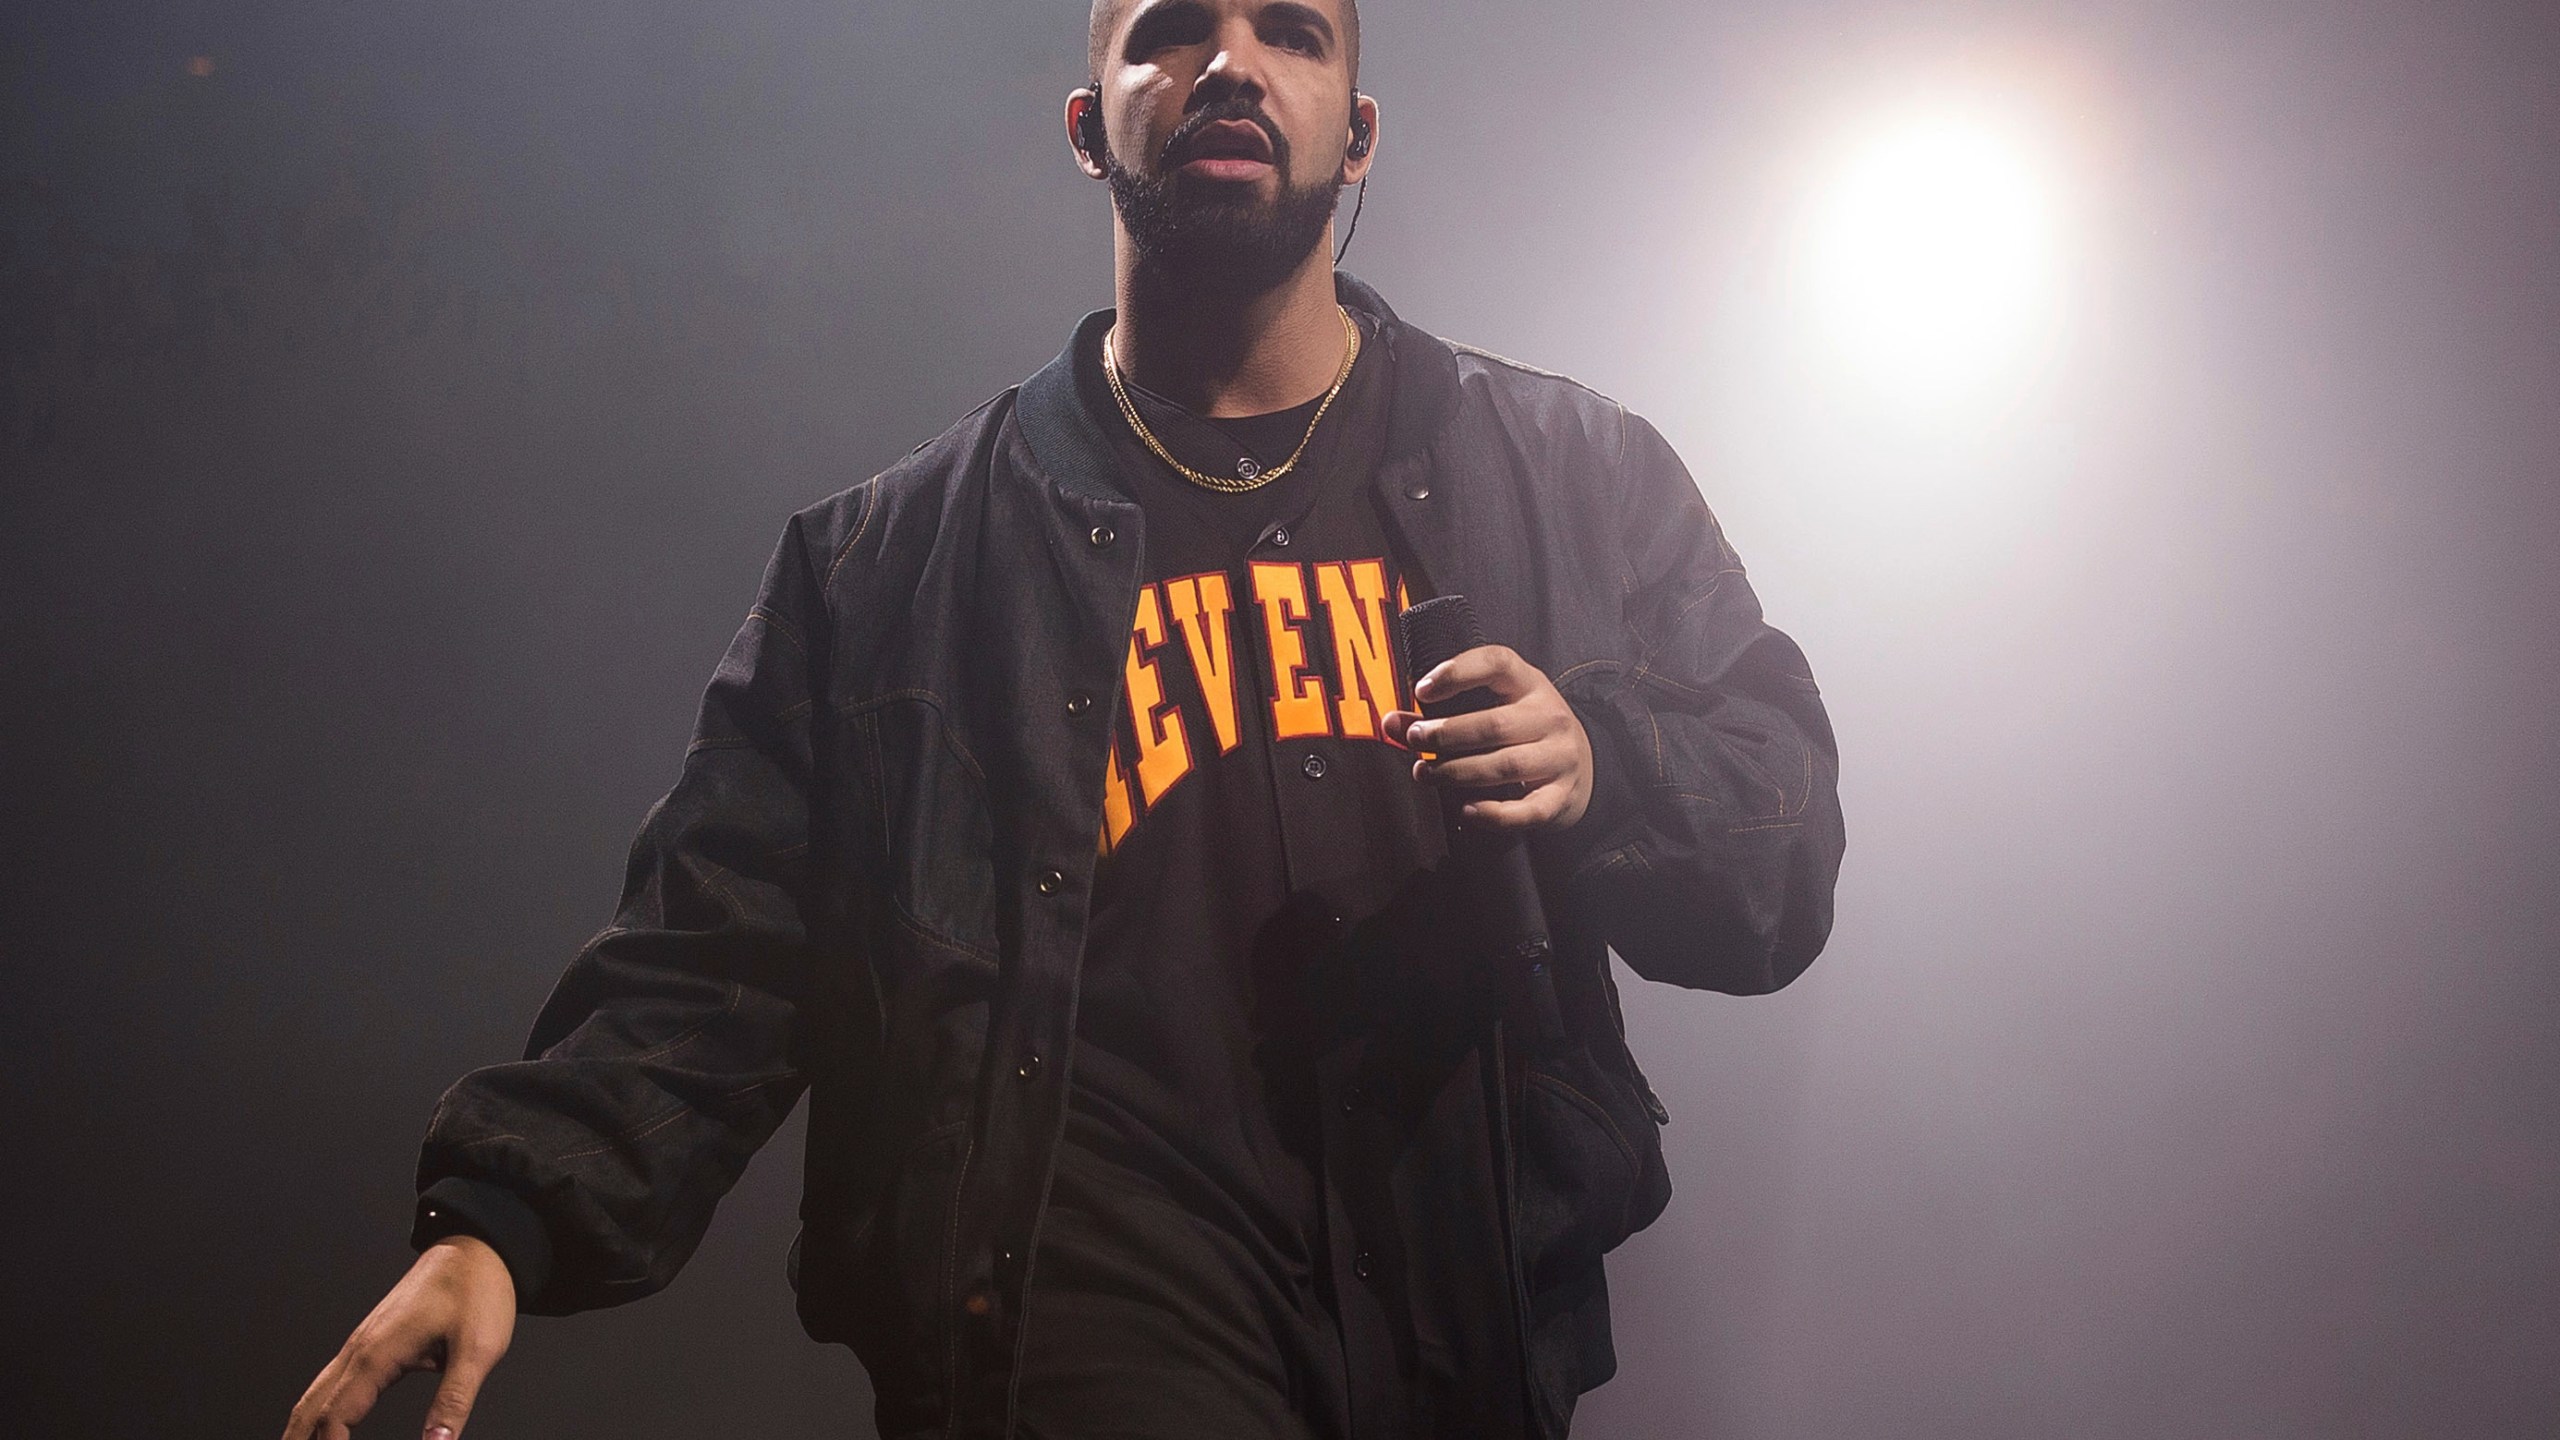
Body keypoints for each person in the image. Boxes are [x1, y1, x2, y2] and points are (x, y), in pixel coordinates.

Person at [283, 1, 1844, 1437]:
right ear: (1090, 124)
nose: (1228, 63)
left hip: (1460, 1338)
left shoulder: (1575, 473)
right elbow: (715, 951)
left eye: (1289, 32)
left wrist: (1606, 763)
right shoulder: (884, 571)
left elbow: (1781, 860)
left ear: (1358, 131)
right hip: (1079, 1332)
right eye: (1170, 32)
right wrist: (505, 1215)